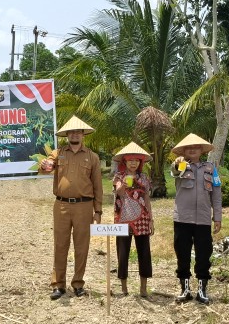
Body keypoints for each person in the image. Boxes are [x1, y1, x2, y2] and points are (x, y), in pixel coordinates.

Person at [38, 116, 103, 300]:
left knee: (82, 246)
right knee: (60, 245)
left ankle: (78, 284)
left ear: (83, 135)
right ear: (67, 135)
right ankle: (58, 285)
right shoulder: (58, 154)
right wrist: (45, 165)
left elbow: (98, 185)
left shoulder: (93, 157)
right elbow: (45, 168)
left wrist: (97, 211)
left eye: (78, 132)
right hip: (62, 206)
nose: (75, 134)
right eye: (71, 132)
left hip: (84, 206)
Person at [170, 133, 222, 305]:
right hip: (182, 218)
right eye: (188, 147)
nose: (192, 149)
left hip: (203, 219)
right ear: (184, 151)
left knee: (204, 254)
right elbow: (174, 171)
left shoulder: (210, 168)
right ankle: (185, 289)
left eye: (196, 147)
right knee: (182, 253)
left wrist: (218, 217)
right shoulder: (181, 165)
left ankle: (202, 289)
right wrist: (178, 163)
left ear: (202, 150)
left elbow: (216, 193)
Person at [112, 142, 154, 297]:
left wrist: (151, 219)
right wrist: (124, 182)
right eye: (130, 160)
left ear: (140, 162)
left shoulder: (144, 177)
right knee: (123, 253)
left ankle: (143, 288)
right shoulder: (118, 176)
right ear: (125, 162)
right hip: (122, 219)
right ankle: (124, 287)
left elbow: (147, 198)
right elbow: (119, 192)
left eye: (136, 160)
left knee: (144, 253)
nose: (133, 163)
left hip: (142, 219)